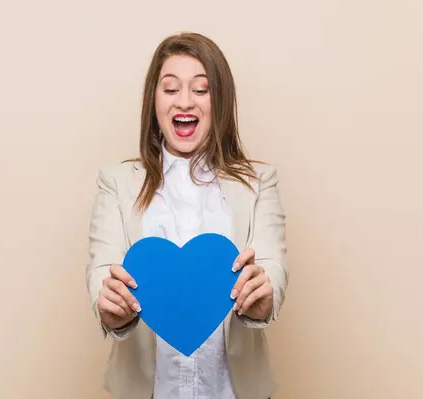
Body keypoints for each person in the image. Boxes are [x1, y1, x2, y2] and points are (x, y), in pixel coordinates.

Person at [85, 32, 288, 399]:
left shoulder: (260, 183)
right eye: (170, 88)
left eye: (201, 89)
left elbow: (273, 267)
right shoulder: (116, 183)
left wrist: (262, 299)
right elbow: (102, 270)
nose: (185, 101)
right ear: (154, 100)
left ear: (220, 100)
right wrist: (111, 306)